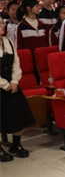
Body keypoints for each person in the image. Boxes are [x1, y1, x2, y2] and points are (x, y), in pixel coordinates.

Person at [0, 20, 35, 161]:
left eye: (2, 23)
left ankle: (16, 144)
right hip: (1, 85)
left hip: (12, 84)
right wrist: (4, 85)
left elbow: (16, 62)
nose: (3, 26)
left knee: (19, 114)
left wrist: (14, 81)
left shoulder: (7, 41)